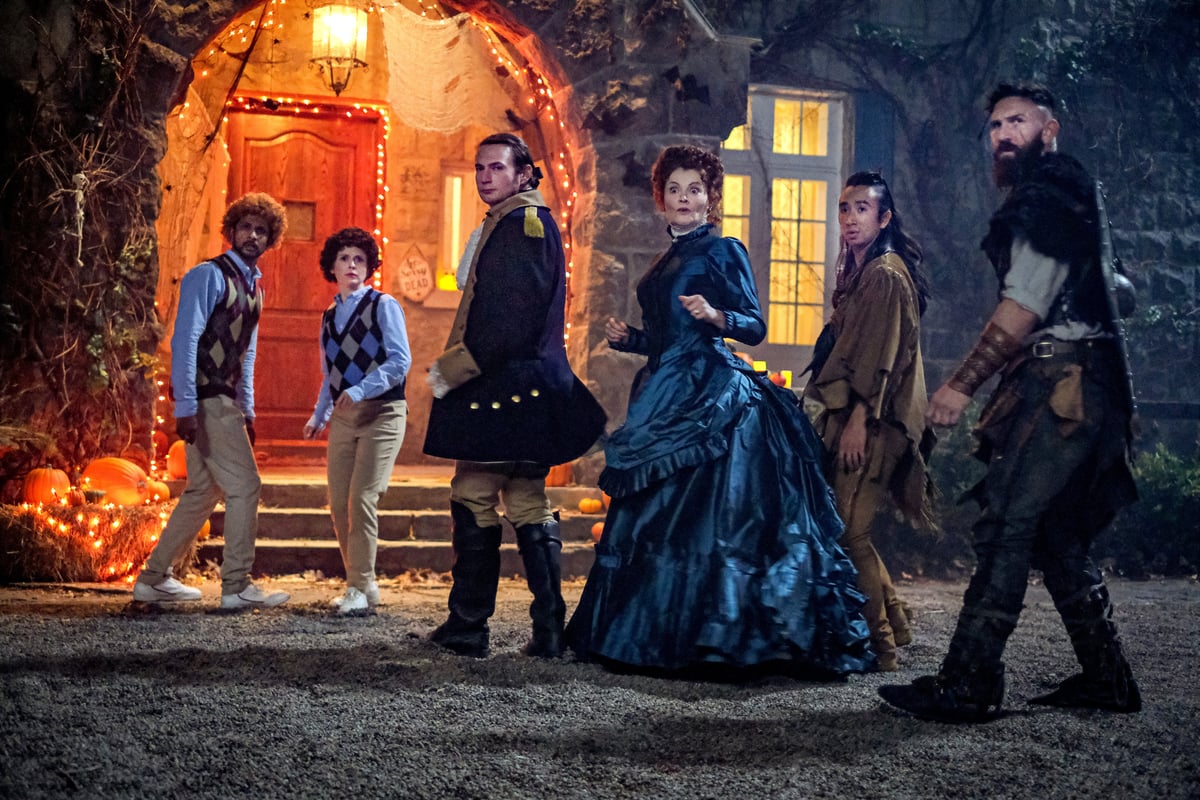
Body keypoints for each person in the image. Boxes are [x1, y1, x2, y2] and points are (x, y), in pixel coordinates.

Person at [879, 82, 1141, 722]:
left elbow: (1023, 305)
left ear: (1049, 130)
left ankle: (968, 684)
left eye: (1017, 122)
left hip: (1062, 386)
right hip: (1082, 381)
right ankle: (1107, 679)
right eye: (996, 125)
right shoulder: (1075, 196)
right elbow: (1119, 291)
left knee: (1006, 528)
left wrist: (960, 385)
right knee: (1055, 534)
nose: (1003, 135)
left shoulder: (1046, 199)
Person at [565, 145, 873, 677]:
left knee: (710, 521)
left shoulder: (723, 249)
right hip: (665, 389)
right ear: (661, 198)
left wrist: (715, 314)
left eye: (695, 190)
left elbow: (754, 325)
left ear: (710, 198)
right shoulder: (666, 257)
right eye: (674, 190)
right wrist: (633, 339)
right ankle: (647, 638)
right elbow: (668, 338)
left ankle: (719, 640)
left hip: (712, 396)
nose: (684, 198)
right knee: (654, 516)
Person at [424, 133, 606, 659]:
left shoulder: (523, 226)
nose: (485, 176)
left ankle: (468, 626)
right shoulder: (514, 222)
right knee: (527, 498)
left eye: (497, 168)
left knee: (472, 493)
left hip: (504, 390)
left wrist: (453, 370)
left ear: (523, 174)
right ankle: (547, 632)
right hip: (524, 392)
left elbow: (509, 320)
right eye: (480, 168)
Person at [802, 172, 936, 671]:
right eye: (844, 207)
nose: (850, 217)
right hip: (862, 415)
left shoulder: (885, 274)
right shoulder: (865, 272)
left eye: (862, 208)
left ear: (884, 218)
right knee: (849, 529)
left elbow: (883, 359)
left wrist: (859, 420)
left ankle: (882, 650)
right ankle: (895, 624)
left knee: (849, 532)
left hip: (875, 421)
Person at [133, 192, 290, 610]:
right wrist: (184, 407)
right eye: (245, 227)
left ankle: (153, 579)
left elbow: (246, 354)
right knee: (246, 486)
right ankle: (237, 586)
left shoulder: (254, 288)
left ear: (270, 238)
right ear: (230, 231)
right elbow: (184, 340)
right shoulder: (208, 275)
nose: (252, 236)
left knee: (203, 490)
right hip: (206, 397)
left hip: (226, 399)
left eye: (261, 230)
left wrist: (248, 409)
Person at [303, 227, 411, 615]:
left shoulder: (383, 305)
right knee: (338, 503)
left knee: (362, 497)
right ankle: (365, 584)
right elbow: (330, 374)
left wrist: (363, 388)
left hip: (383, 413)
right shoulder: (329, 317)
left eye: (360, 259)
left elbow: (400, 361)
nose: (352, 265)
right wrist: (319, 415)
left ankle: (356, 589)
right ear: (332, 267)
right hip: (345, 418)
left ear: (369, 266)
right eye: (345, 258)